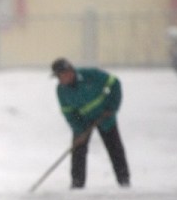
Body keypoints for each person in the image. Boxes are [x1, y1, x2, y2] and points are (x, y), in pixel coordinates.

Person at [50, 58, 130, 188]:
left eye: (65, 74)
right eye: (60, 76)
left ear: (71, 71)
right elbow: (68, 113)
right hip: (82, 121)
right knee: (78, 150)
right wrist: (79, 129)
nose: (64, 78)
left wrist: (112, 107)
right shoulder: (61, 90)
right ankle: (77, 183)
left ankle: (124, 180)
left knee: (115, 148)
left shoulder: (91, 75)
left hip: (105, 116)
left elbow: (115, 83)